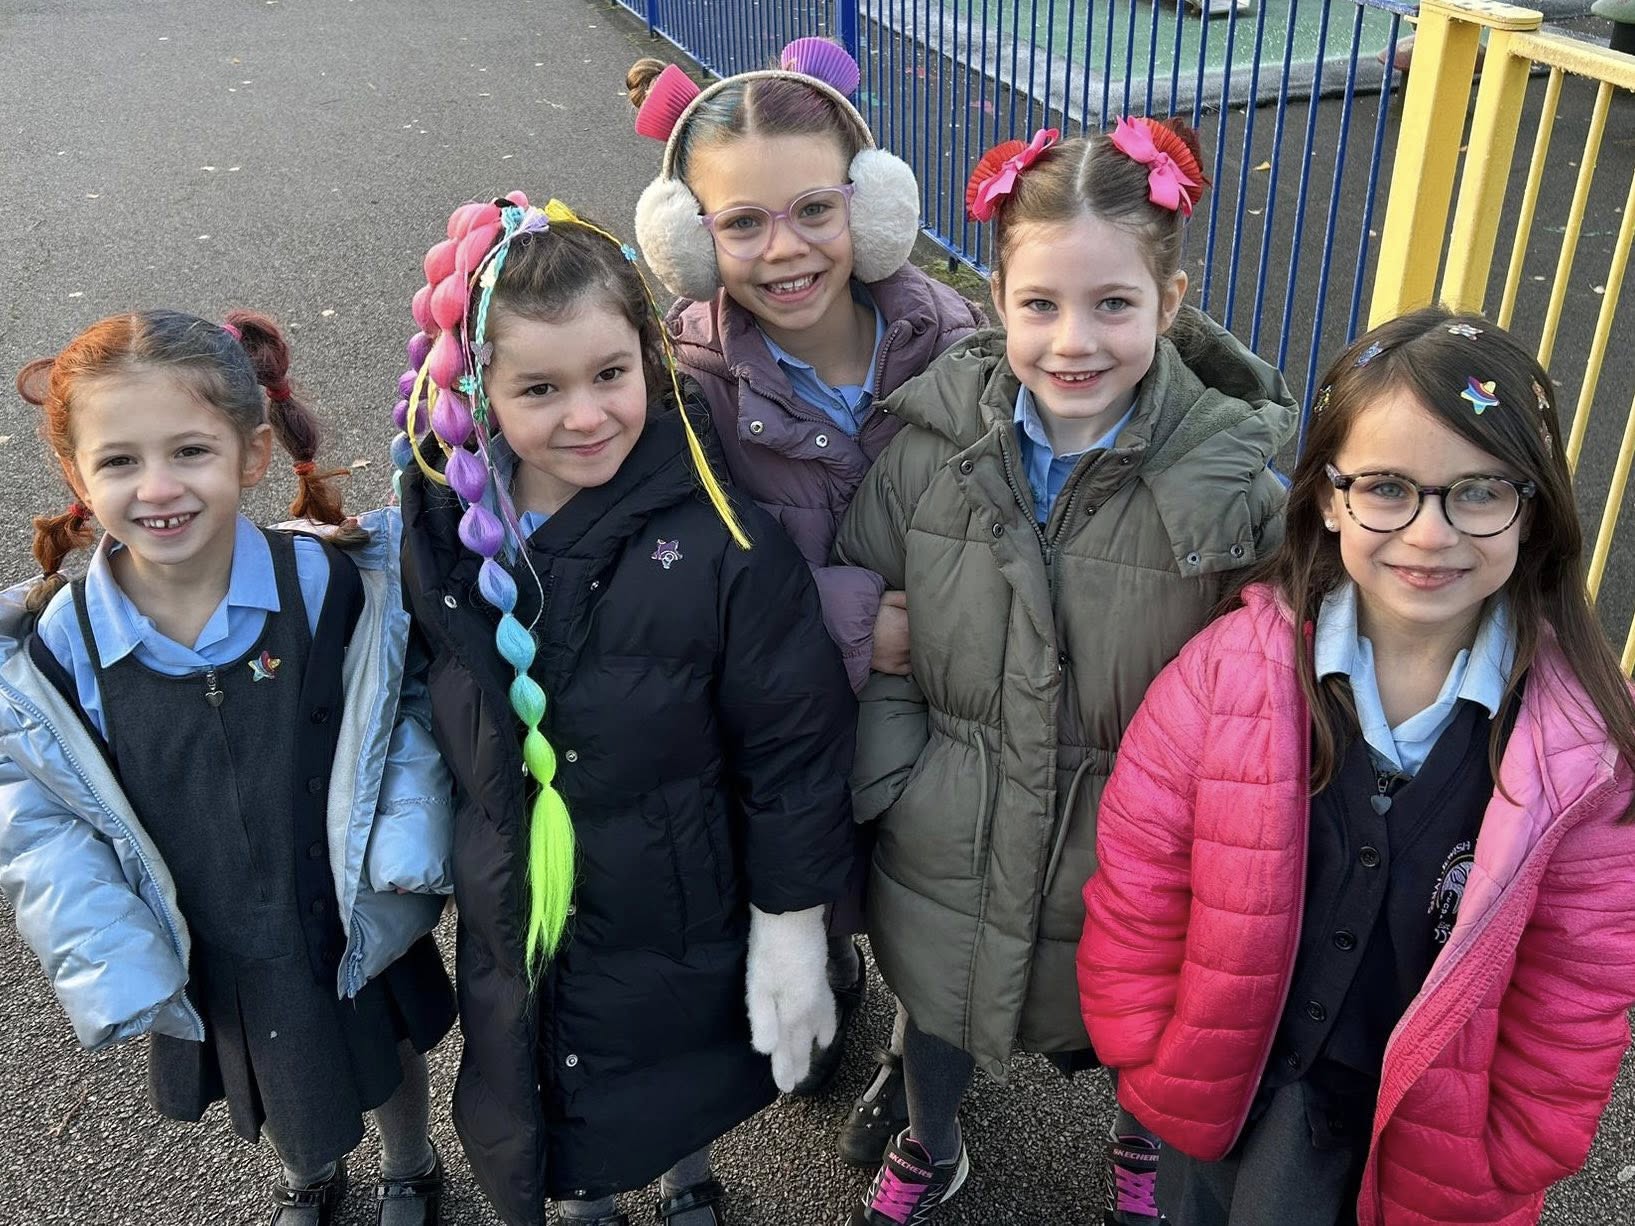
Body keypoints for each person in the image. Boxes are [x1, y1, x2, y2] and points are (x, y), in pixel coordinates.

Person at [1078, 310, 1635, 1225]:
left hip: (1433, 1139)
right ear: (1329, 497)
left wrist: (1515, 1145)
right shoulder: (1228, 674)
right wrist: (1146, 1049)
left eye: (1478, 492)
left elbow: (1578, 983)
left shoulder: (1580, 749)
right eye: (1386, 488)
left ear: (1531, 510)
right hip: (1231, 1095)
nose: (1428, 534)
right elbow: (1142, 875)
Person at [834, 119, 1294, 1224]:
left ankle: (1140, 1146)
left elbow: (1271, 681)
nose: (1072, 340)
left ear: (1170, 304)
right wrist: (903, 778)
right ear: (997, 300)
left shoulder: (1231, 491)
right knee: (937, 1000)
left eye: (1114, 304)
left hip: (1138, 844)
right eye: (1040, 304)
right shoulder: (929, 453)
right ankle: (929, 1138)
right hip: (954, 813)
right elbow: (873, 599)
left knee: (1143, 1019)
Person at [392, 195, 857, 1226]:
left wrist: (791, 917)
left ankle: (687, 1172)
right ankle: (589, 1188)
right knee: (547, 1046)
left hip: (679, 880)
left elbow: (792, 742)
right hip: (521, 881)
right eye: (540, 388)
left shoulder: (721, 535)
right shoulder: (444, 528)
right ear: (481, 390)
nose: (586, 413)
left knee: (678, 1048)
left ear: (649, 356)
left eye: (610, 374)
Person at [0, 310, 456, 1226]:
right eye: (121, 460)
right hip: (206, 923)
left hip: (337, 894)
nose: (158, 487)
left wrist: (406, 839)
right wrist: (104, 952)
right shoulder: (63, 649)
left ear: (251, 456)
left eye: (191, 452)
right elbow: (41, 821)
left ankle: (412, 1164)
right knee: (273, 1062)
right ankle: (308, 1174)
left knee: (381, 1037)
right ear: (76, 474)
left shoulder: (328, 587)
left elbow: (402, 711)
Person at [627, 36, 984, 1147]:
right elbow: (683, 581)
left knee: (939, 906)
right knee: (811, 876)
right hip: (788, 718)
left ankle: (916, 1060)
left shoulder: (960, 344)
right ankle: (821, 965)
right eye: (742, 222)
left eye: (815, 209)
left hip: (941, 704)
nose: (785, 250)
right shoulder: (685, 389)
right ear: (691, 238)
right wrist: (852, 622)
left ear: (872, 207)